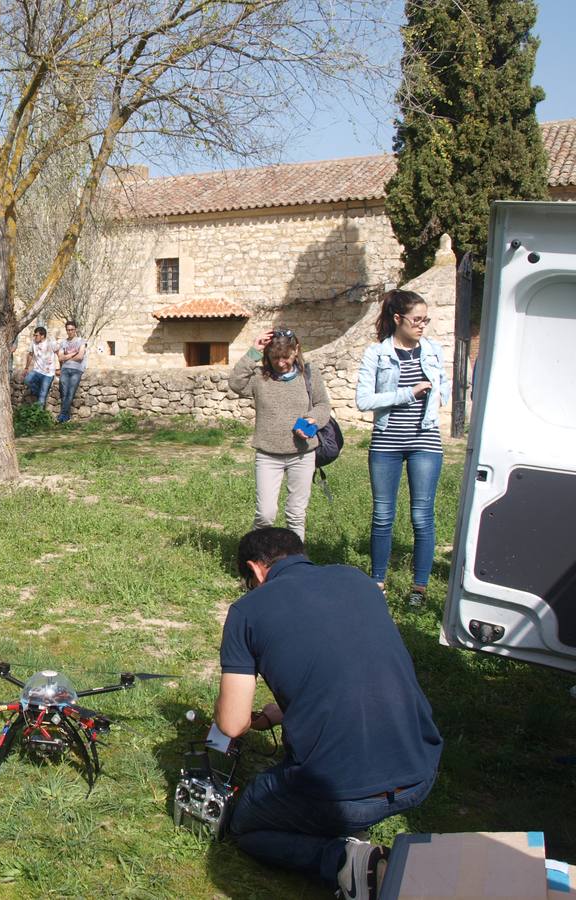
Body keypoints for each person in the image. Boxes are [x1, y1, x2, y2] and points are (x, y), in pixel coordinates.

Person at [215, 527, 442, 900]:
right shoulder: (359, 580)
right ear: (300, 553)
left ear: (256, 571)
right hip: (420, 772)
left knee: (244, 825)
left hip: (345, 795)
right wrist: (284, 712)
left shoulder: (247, 611)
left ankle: (347, 861)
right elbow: (349, 664)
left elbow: (232, 724)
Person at [355, 289, 451, 606]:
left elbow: (445, 388)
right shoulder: (377, 354)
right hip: (386, 441)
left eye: (426, 319)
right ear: (398, 319)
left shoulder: (434, 351)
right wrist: (407, 394)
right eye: (417, 319)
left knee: (422, 516)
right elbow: (364, 401)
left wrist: (439, 397)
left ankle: (419, 588)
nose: (423, 325)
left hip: (425, 439)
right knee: (383, 515)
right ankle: (377, 582)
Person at [228, 328, 331, 541]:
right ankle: (257, 561)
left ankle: (296, 565)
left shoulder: (309, 375)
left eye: (286, 356)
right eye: (275, 357)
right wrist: (253, 352)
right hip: (268, 455)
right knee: (265, 515)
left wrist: (312, 420)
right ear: (267, 355)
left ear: (296, 351)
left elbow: (323, 406)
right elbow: (236, 383)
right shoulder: (259, 377)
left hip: (302, 455)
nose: (281, 362)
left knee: (295, 515)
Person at [56, 320, 88, 423]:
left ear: (75, 330)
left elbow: (80, 357)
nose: (70, 332)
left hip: (77, 370)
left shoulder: (81, 341)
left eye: (72, 329)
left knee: (70, 393)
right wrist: (72, 354)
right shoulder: (63, 343)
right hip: (65, 369)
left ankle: (62, 416)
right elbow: (60, 358)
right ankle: (66, 417)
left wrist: (66, 358)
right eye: (68, 330)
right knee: (64, 393)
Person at [22, 325, 59, 408]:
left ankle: (39, 415)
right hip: (37, 371)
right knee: (27, 380)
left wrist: (60, 368)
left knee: (42, 396)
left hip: (48, 373)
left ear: (42, 336)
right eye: (34, 335)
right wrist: (26, 368)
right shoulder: (33, 343)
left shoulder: (51, 342)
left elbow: (58, 354)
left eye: (36, 335)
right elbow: (30, 355)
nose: (35, 337)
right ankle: (41, 393)